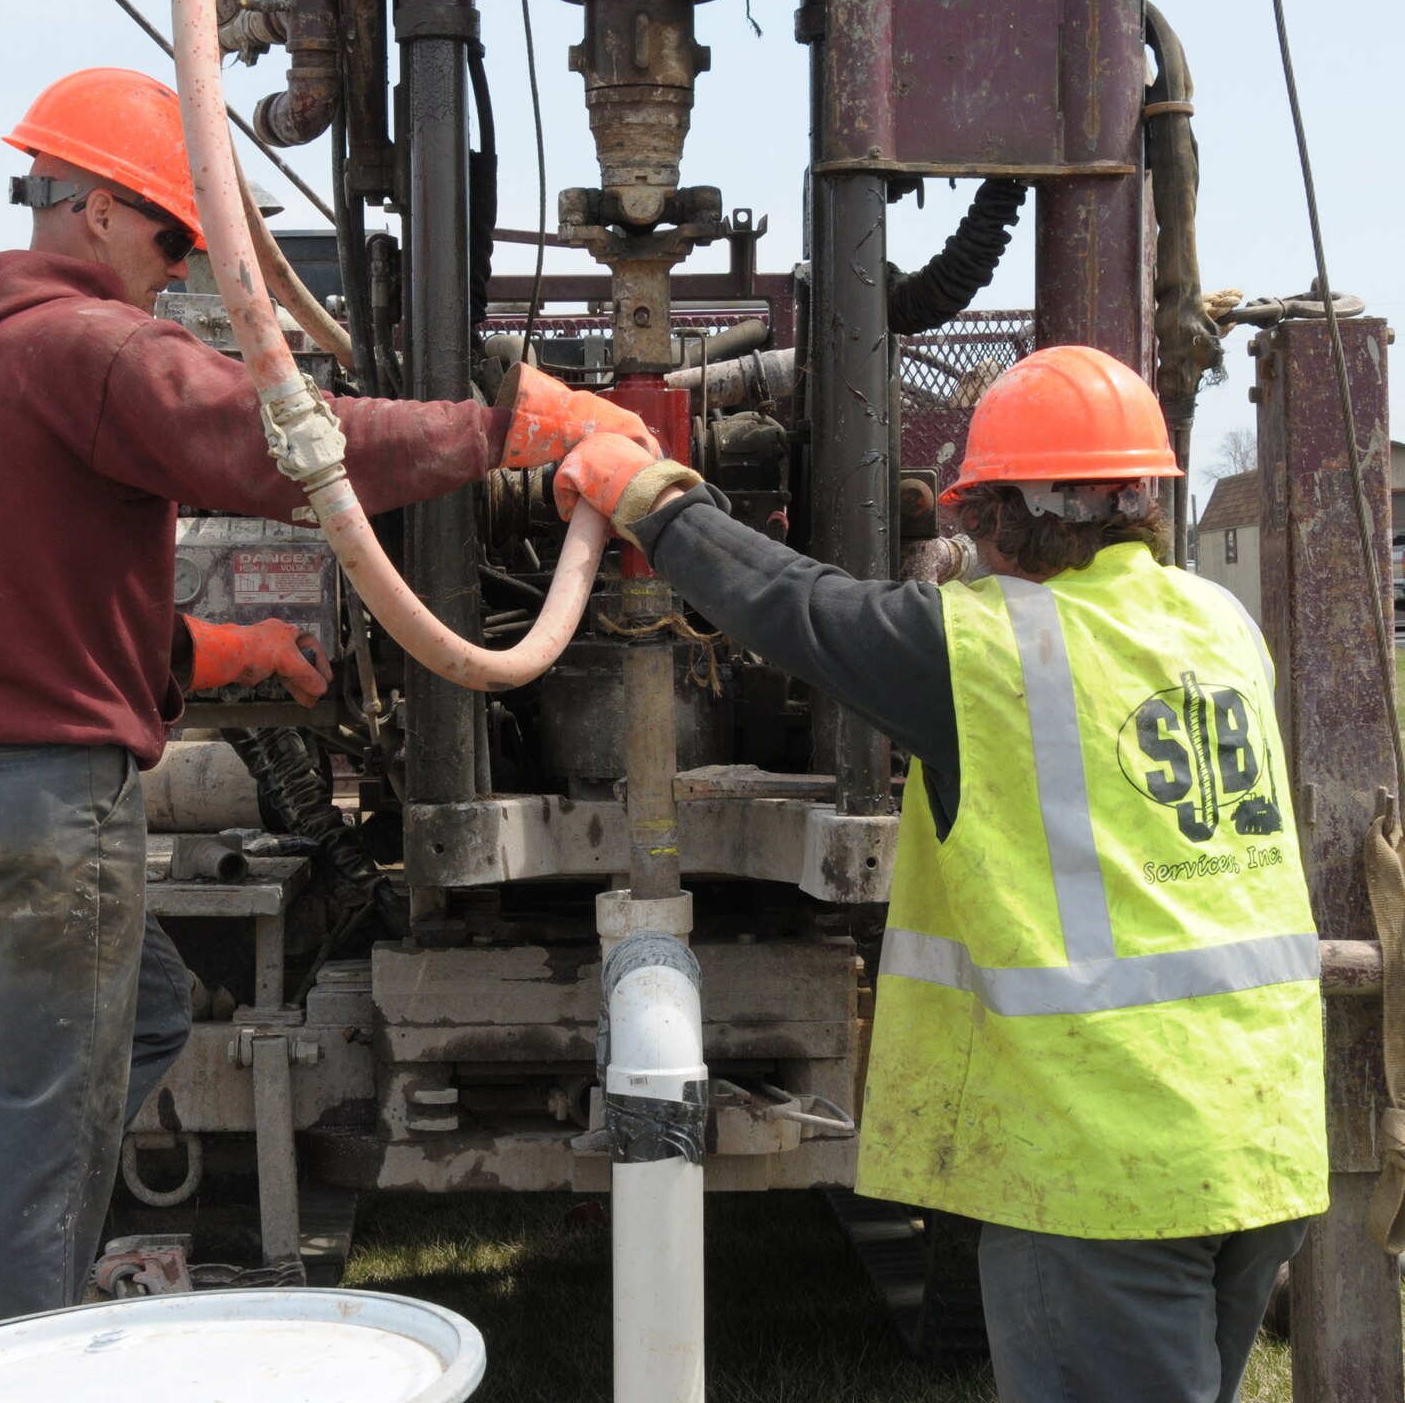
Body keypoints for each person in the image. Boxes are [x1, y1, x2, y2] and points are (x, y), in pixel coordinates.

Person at [0, 66, 652, 1340]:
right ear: (105, 213)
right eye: (178, 237)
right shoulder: (98, 346)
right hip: (47, 790)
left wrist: (215, 650)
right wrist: (502, 427)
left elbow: (11, 592)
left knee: (150, 1013)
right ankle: (3, 1356)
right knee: (52, 1109)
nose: (179, 271)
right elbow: (281, 444)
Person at [553, 344, 1327, 1403]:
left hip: (1104, 1173)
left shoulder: (991, 653)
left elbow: (800, 610)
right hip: (1257, 1147)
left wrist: (649, 497)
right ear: (1141, 498)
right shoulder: (1216, 622)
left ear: (1006, 511)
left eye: (976, 517)